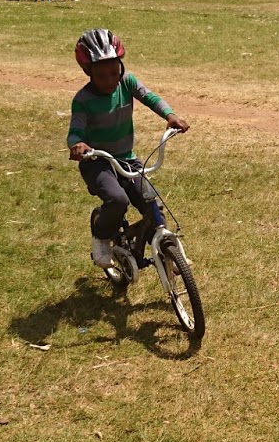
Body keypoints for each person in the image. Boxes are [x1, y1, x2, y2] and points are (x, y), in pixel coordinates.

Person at [66, 29, 190, 268]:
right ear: (87, 72)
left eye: (115, 72)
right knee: (117, 200)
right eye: (101, 76)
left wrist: (170, 115)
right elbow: (75, 131)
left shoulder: (127, 82)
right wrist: (77, 145)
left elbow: (150, 97)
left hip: (127, 159)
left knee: (151, 202)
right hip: (97, 162)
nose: (110, 80)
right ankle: (101, 238)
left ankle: (167, 251)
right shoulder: (82, 100)